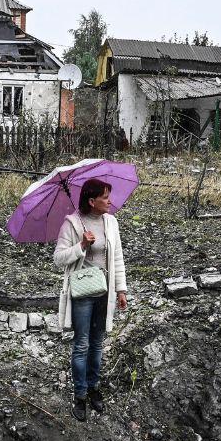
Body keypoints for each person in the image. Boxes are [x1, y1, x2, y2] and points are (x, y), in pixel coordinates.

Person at [53, 178, 128, 421]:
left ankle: (94, 387)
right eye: (105, 197)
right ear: (91, 201)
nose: (110, 202)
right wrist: (82, 245)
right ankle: (80, 394)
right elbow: (59, 258)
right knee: (81, 344)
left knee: (97, 343)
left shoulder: (111, 222)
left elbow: (117, 258)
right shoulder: (72, 223)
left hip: (104, 292)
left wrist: (121, 290)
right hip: (83, 293)